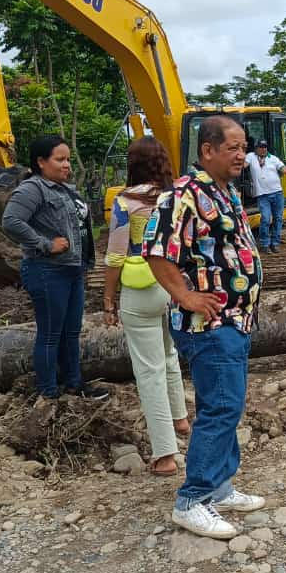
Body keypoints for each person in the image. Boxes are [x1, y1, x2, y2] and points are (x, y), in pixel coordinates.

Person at [145, 116, 267, 539]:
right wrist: (186, 296)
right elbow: (156, 251)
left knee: (227, 404)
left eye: (243, 147)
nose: (241, 155)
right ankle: (192, 500)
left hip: (234, 319)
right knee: (220, 407)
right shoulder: (183, 195)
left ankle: (220, 487)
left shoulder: (225, 191)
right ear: (207, 151)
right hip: (208, 323)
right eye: (233, 147)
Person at [102, 137, 191, 476]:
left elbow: (116, 255)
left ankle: (165, 454)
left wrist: (108, 300)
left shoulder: (125, 201)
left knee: (148, 371)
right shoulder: (177, 196)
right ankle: (180, 419)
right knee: (169, 353)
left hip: (141, 287)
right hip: (175, 285)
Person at [1, 134, 109, 401]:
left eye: (68, 159)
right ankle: (48, 393)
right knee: (50, 335)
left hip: (73, 269)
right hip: (47, 270)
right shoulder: (32, 189)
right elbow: (11, 221)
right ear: (41, 162)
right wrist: (46, 244)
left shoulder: (66, 189)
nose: (67, 165)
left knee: (71, 333)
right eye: (60, 159)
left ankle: (74, 383)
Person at [245, 139, 286, 253]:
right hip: (262, 195)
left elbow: (284, 169)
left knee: (278, 219)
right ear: (256, 148)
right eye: (261, 147)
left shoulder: (273, 158)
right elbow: (243, 164)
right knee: (266, 219)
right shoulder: (251, 157)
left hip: (277, 193)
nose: (263, 149)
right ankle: (264, 244)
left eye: (265, 147)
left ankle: (275, 243)